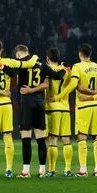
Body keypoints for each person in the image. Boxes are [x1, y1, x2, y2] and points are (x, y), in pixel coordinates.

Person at [0, 39, 38, 179]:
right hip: (6, 105)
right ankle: (9, 170)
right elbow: (28, 63)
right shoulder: (9, 62)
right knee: (8, 136)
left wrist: (0, 92)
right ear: (2, 50)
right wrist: (35, 57)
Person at [13, 43, 60, 178]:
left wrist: (29, 90)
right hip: (40, 102)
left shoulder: (20, 64)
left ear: (18, 54)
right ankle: (42, 170)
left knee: (26, 137)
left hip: (26, 102)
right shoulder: (42, 63)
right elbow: (47, 83)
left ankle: (26, 171)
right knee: (40, 138)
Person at [69, 43, 97, 177]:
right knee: (96, 137)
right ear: (90, 54)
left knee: (82, 137)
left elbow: (77, 86)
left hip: (83, 106)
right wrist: (94, 95)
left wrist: (87, 95)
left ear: (80, 54)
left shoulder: (77, 67)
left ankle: (83, 170)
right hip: (96, 106)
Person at [43, 48, 76, 177]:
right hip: (65, 108)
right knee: (66, 139)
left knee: (53, 140)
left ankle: (51, 170)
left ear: (47, 58)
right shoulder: (67, 71)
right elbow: (71, 85)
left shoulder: (46, 70)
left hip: (52, 107)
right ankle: (67, 170)